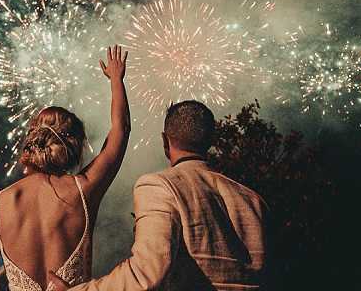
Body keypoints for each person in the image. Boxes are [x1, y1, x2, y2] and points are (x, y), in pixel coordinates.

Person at [51, 100, 270, 291]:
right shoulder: (253, 200)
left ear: (165, 142)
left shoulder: (160, 186)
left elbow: (146, 274)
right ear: (210, 141)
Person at [0, 45, 131, 291]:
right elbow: (121, 130)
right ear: (72, 149)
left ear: (31, 143)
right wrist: (116, 80)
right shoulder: (83, 190)